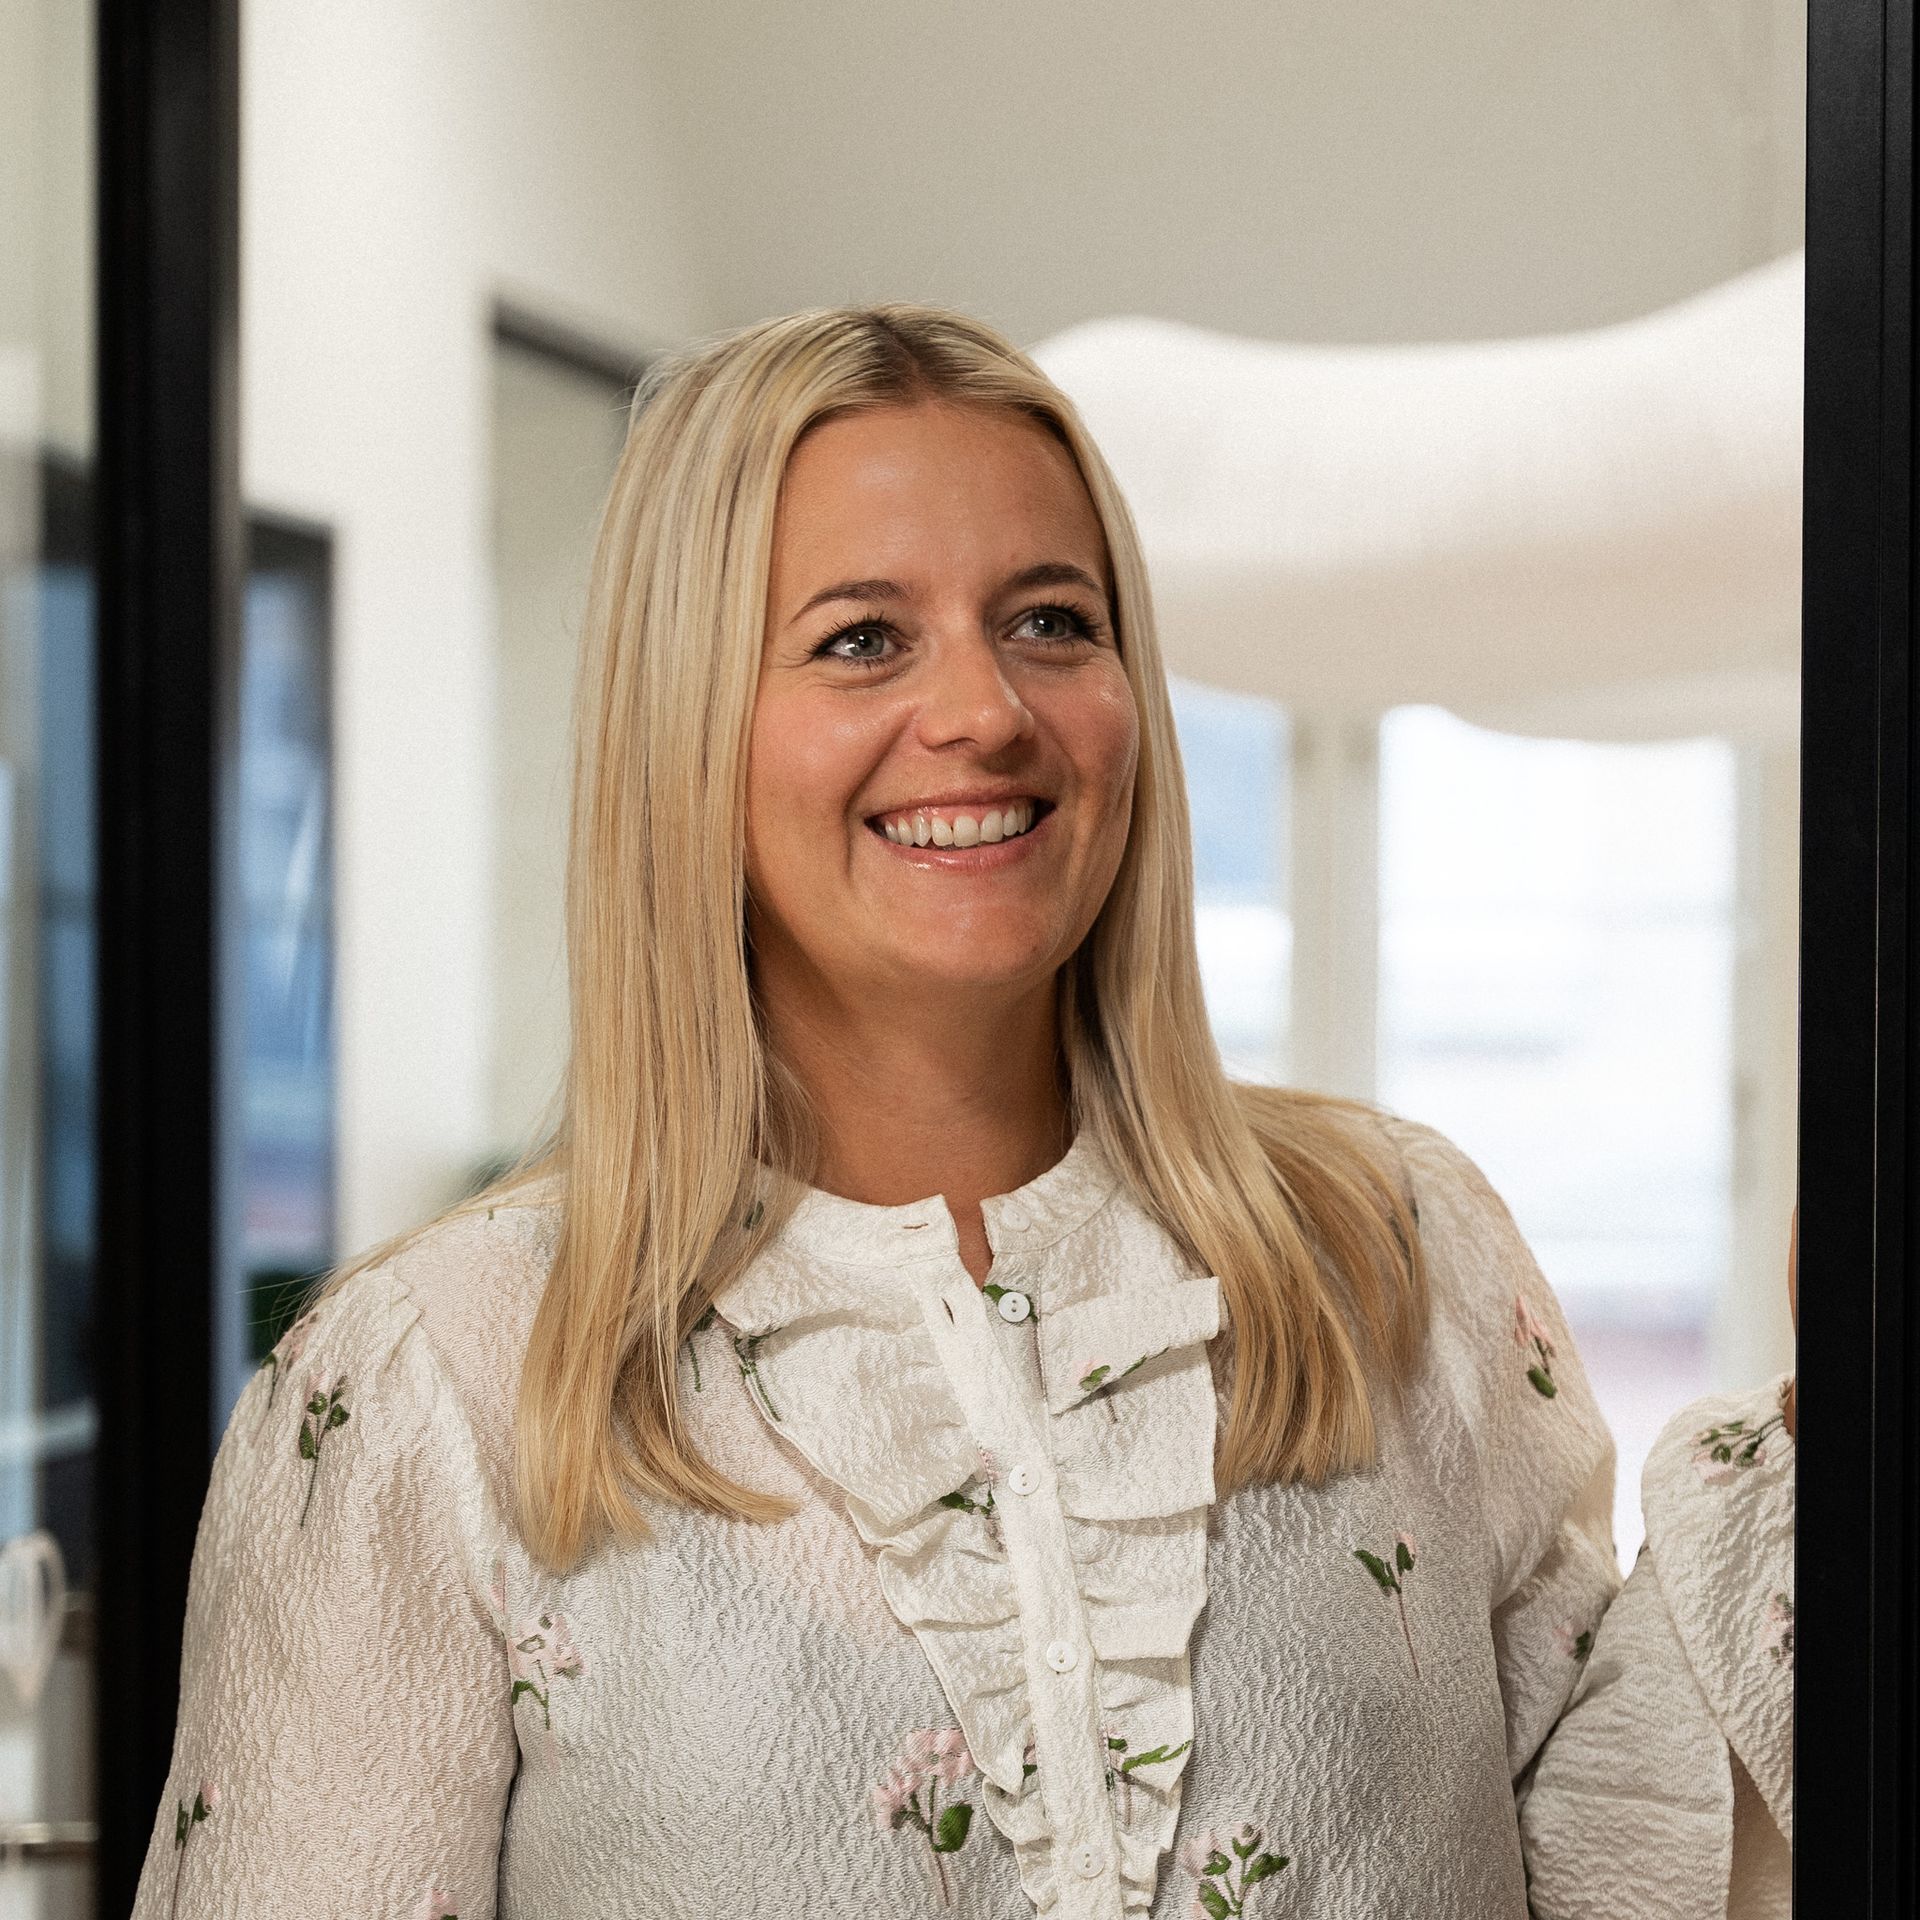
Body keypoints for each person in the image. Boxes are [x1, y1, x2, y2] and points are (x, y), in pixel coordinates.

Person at [131, 306, 1793, 1919]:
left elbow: (1609, 1855)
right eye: (862, 639)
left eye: (1054, 621)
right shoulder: (436, 1382)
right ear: (683, 732)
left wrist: (1828, 1443)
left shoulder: (1397, 1248)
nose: (988, 712)